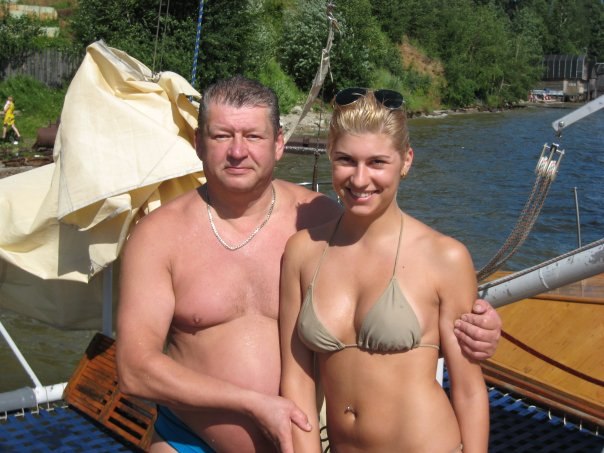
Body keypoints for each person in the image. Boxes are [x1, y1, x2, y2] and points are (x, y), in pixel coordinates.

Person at [116, 76, 499, 453]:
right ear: (198, 143)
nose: (237, 151)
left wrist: (480, 327)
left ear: (279, 144)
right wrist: (255, 404)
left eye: (253, 136)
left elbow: (411, 286)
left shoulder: (318, 219)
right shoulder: (160, 235)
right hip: (195, 440)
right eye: (221, 136)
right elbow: (134, 370)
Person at [279, 88, 489, 452]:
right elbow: (296, 382)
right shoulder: (302, 252)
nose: (360, 180)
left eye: (377, 162)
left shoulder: (445, 258)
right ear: (330, 155)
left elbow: (469, 390)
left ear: (406, 161)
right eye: (346, 160)